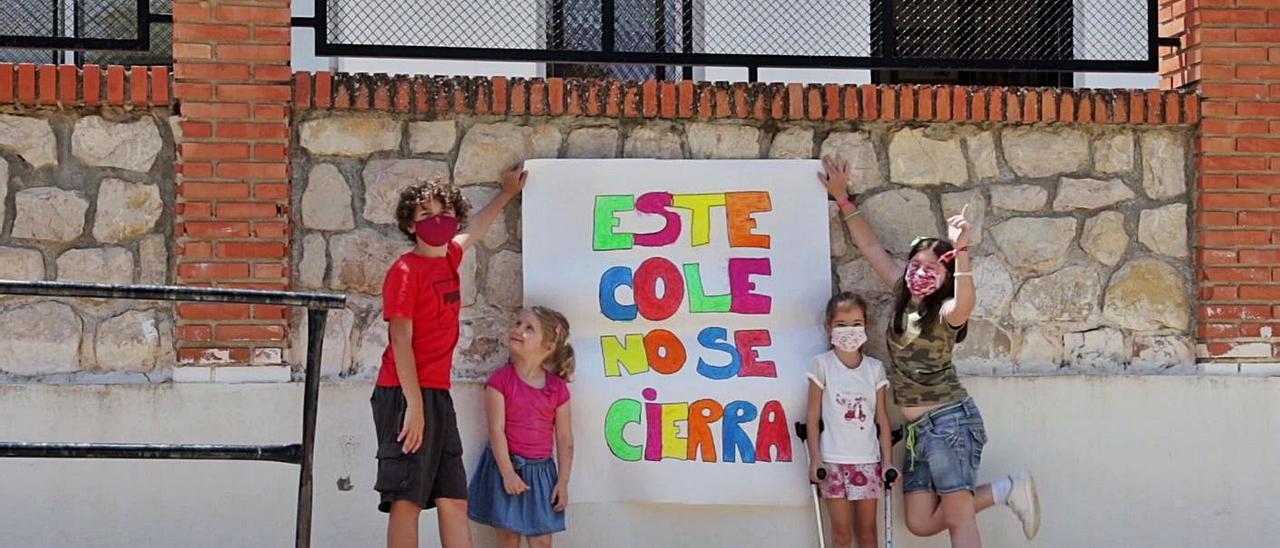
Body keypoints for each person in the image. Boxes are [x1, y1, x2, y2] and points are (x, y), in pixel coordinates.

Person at [819, 157, 1041, 548]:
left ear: (946, 276)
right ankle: (1006, 490)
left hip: (950, 422)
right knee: (921, 523)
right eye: (916, 263)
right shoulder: (902, 296)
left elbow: (966, 303)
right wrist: (843, 199)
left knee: (958, 520)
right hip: (918, 434)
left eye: (933, 267)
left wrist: (962, 250)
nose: (922, 272)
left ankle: (1008, 490)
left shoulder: (943, 313)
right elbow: (870, 246)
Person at [372, 166, 526, 548]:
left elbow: (474, 230)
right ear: (410, 226)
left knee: (453, 498)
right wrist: (414, 406)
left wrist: (506, 194)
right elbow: (400, 339)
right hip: (403, 395)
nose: (436, 221)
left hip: (437, 395)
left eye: (443, 213)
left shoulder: (448, 259)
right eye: (425, 215)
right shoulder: (406, 271)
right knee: (405, 501)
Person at [468, 307, 576, 548]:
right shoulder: (500, 381)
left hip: (542, 475)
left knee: (541, 541)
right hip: (507, 467)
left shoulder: (557, 389)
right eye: (517, 323)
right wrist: (507, 473)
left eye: (529, 328)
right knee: (507, 539)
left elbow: (565, 438)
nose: (518, 330)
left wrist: (563, 482)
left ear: (548, 346)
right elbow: (496, 429)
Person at [805, 292, 896, 548]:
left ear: (865, 325)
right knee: (841, 534)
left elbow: (883, 420)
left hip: (868, 460)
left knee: (868, 533)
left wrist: (888, 462)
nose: (849, 331)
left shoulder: (874, 369)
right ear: (829, 328)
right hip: (833, 461)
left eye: (856, 324)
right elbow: (813, 415)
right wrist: (815, 458)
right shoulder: (822, 365)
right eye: (841, 325)